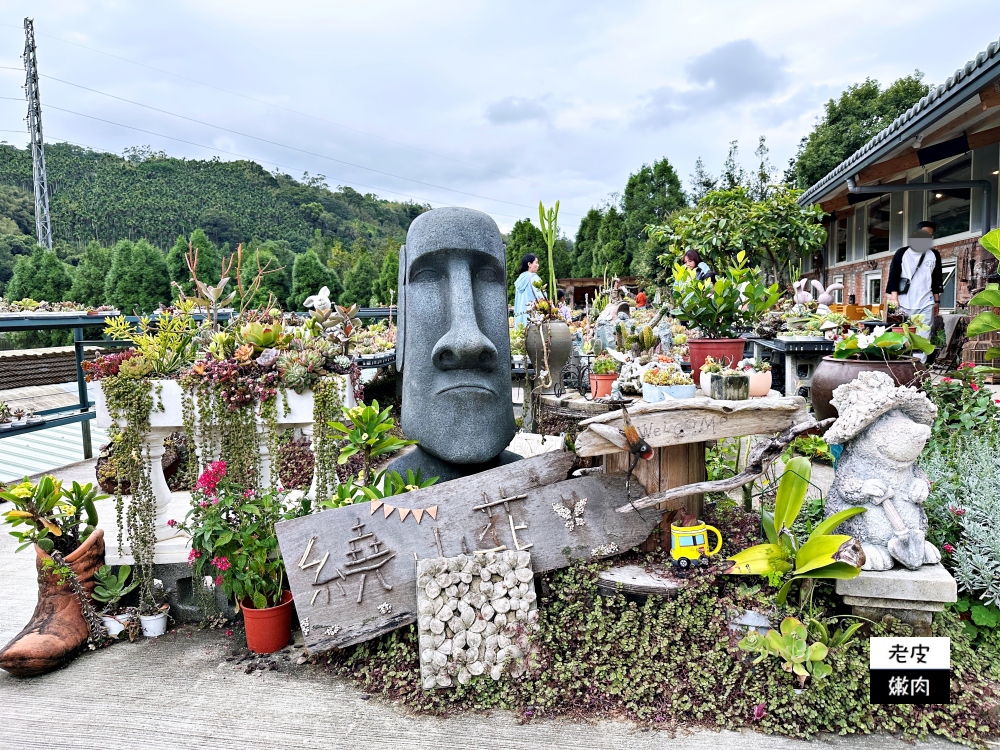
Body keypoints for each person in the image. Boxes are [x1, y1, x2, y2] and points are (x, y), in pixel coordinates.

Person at [886, 222, 942, 343]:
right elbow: (893, 276)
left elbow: (936, 280)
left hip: (926, 302)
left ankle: (921, 362)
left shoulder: (934, 255)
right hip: (904, 303)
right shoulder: (902, 253)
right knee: (903, 337)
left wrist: (937, 301)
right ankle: (905, 361)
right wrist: (895, 300)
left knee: (923, 336)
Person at [512, 253, 543, 327]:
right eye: (536, 262)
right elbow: (541, 298)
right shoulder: (534, 278)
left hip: (519, 319)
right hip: (533, 319)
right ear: (529, 264)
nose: (538, 265)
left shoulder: (519, 279)